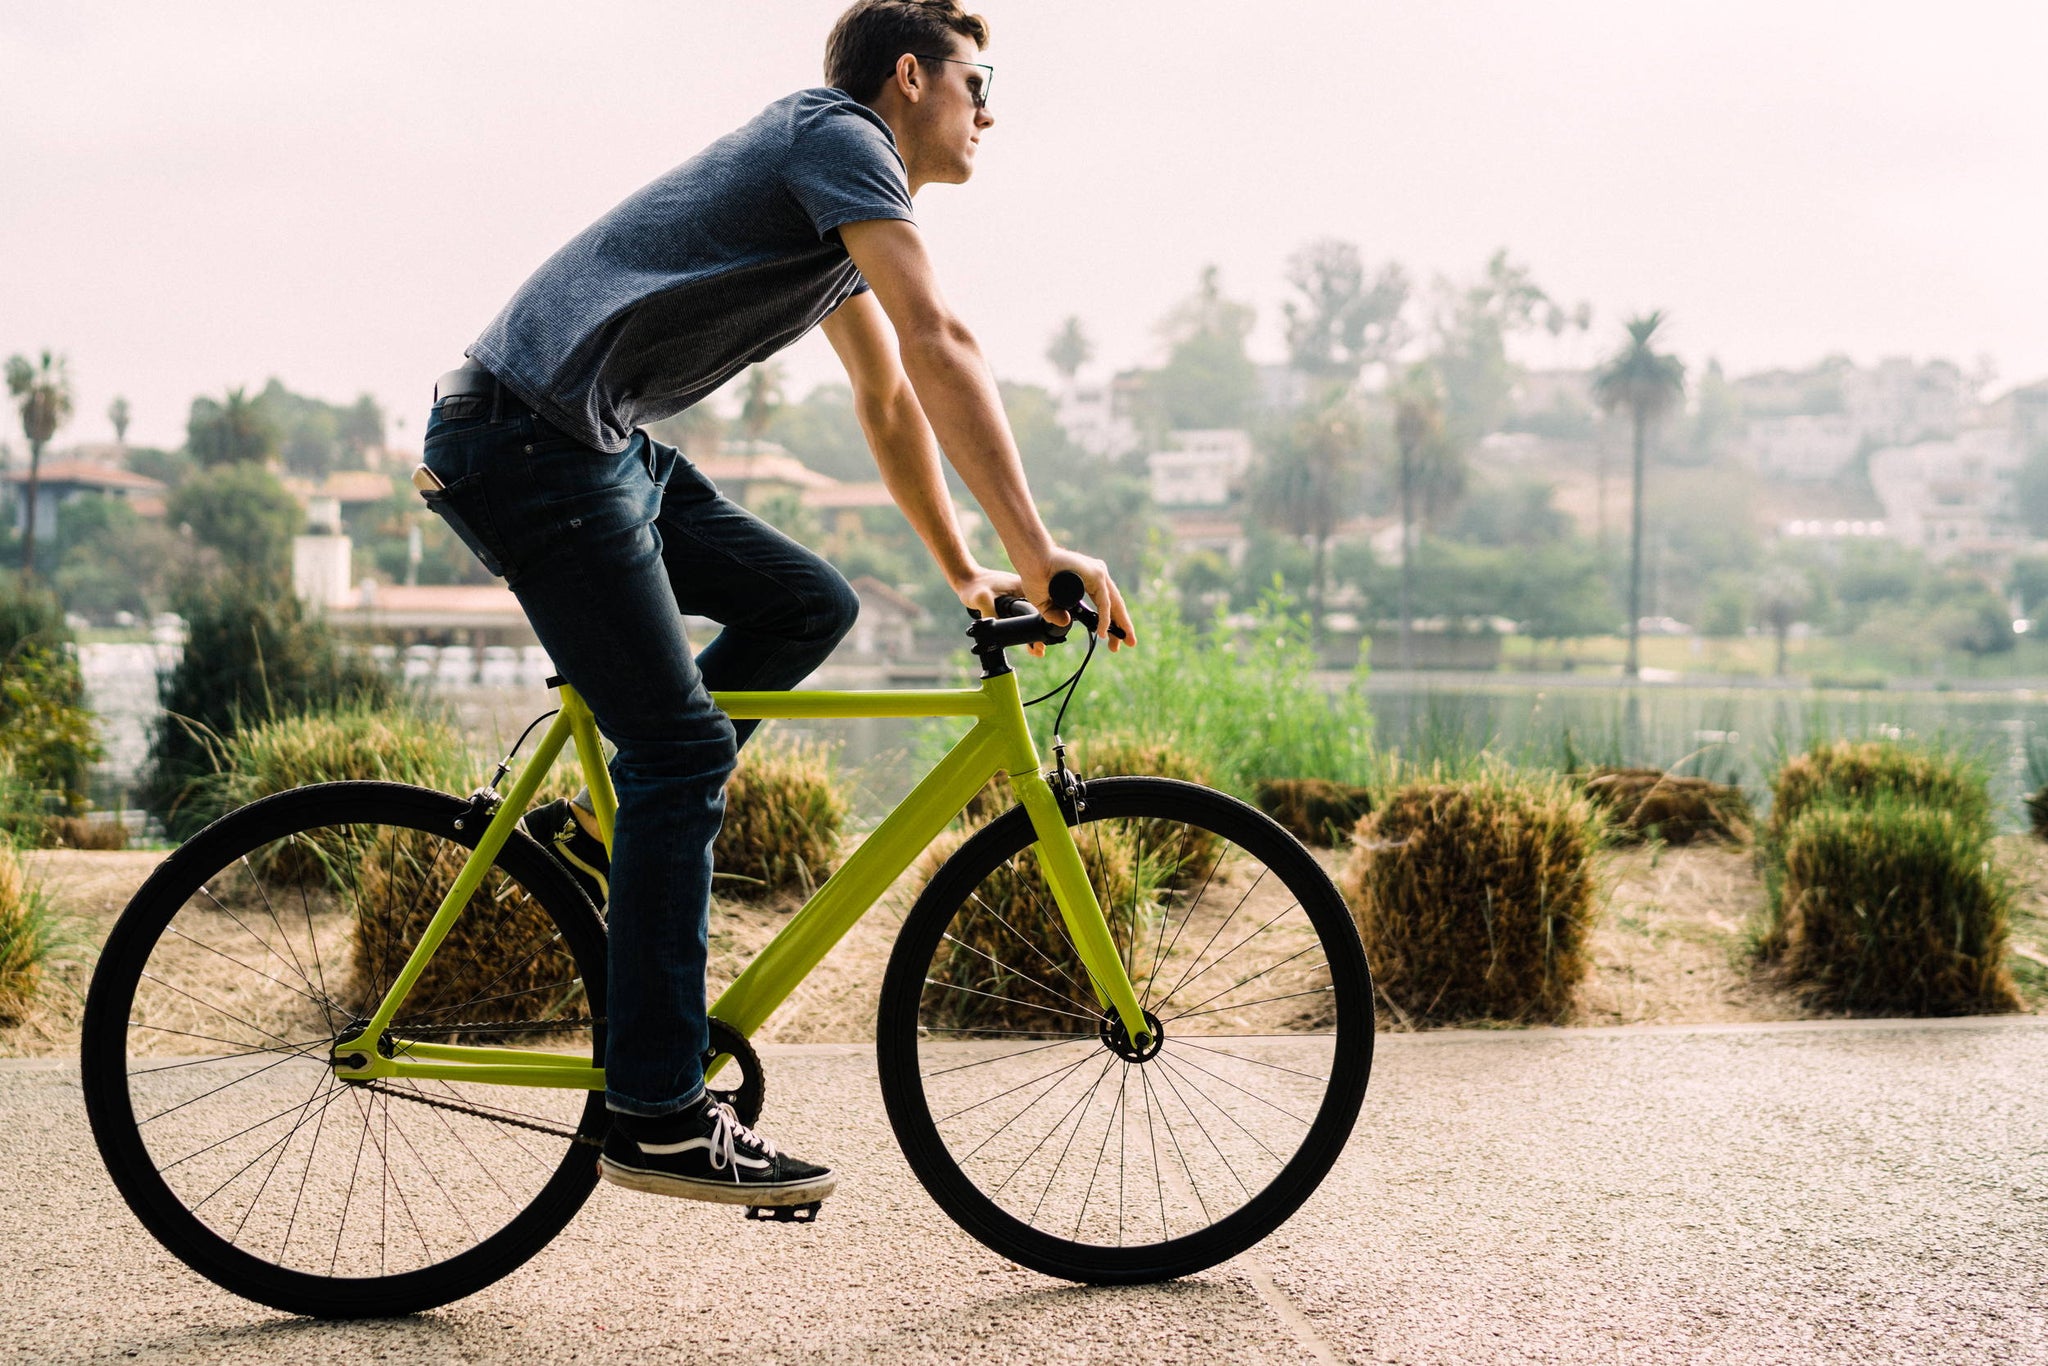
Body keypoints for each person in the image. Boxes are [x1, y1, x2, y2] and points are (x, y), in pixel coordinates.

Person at [416, 0, 1136, 1210]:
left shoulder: (833, 201)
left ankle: (614, 841)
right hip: (531, 443)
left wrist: (970, 570)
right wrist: (1040, 545)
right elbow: (938, 337)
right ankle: (652, 1110)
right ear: (908, 79)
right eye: (979, 82)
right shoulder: (836, 136)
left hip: (579, 441)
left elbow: (891, 396)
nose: (990, 112)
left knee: (807, 602)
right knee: (681, 747)